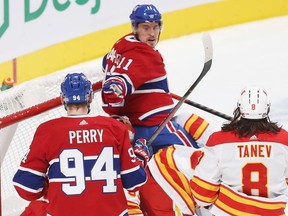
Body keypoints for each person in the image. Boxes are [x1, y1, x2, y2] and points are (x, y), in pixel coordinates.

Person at [101, 4, 212, 215]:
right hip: (155, 128)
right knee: (200, 160)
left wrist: (149, 89)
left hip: (132, 125)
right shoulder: (147, 57)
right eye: (145, 28)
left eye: (155, 27)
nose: (151, 34)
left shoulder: (122, 43)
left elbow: (107, 62)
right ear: (135, 27)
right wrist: (118, 87)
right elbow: (125, 80)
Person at [13, 73, 151, 216]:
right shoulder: (114, 128)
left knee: (35, 208)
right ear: (91, 97)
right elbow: (135, 182)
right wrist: (140, 157)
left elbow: (25, 187)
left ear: (62, 99)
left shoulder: (47, 130)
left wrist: (49, 186)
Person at [190, 85, 288, 215]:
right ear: (267, 108)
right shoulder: (284, 140)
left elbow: (202, 196)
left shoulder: (218, 141)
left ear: (239, 107)